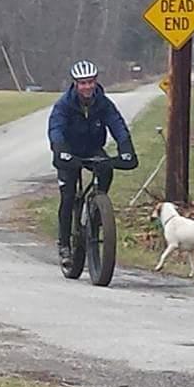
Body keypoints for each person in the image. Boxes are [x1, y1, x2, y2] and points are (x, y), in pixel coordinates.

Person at [47, 60, 137, 266]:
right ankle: (64, 245)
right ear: (75, 84)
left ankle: (97, 209)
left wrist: (126, 147)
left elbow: (117, 124)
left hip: (92, 148)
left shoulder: (103, 103)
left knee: (106, 169)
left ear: (96, 82)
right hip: (68, 150)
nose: (87, 87)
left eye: (90, 82)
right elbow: (55, 128)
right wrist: (59, 148)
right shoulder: (64, 105)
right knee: (68, 196)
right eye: (83, 83)